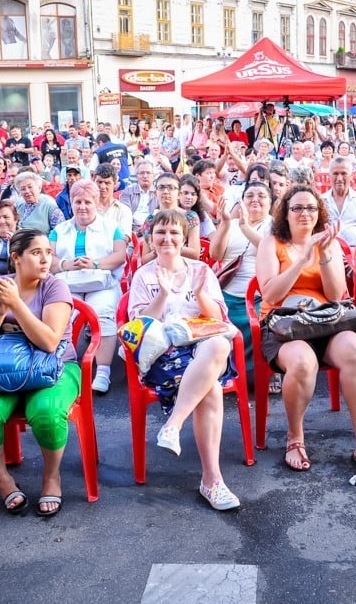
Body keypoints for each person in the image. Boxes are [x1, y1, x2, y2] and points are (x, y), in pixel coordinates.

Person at [254, 186, 356, 481]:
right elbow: (271, 293)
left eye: (311, 208)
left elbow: (336, 294)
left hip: (324, 321)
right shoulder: (271, 242)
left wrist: (322, 253)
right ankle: (295, 437)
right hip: (283, 324)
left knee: (355, 351)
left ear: (319, 213)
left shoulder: (330, 243)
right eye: (297, 208)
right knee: (302, 362)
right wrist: (301, 258)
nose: (305, 214)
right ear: (285, 213)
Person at [127, 209, 241, 510]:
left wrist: (200, 294)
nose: (167, 239)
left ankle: (173, 424)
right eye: (161, 233)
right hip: (165, 354)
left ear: (184, 237)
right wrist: (163, 295)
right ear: (152, 239)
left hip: (202, 348)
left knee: (217, 345)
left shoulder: (200, 270)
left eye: (174, 232)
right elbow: (137, 326)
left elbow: (218, 319)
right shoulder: (143, 274)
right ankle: (212, 481)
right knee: (212, 388)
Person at [0, 229, 80, 516]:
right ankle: (4, 482)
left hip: (54, 367)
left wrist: (17, 304)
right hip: (3, 370)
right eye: (36, 252)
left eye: (48, 253)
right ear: (16, 257)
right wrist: (0, 313)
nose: (45, 259)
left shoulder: (55, 287)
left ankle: (51, 477)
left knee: (47, 412)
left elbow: (50, 341)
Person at [52, 180, 126, 394]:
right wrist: (66, 264)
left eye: (87, 201)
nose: (82, 206)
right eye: (78, 202)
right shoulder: (59, 230)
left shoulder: (112, 228)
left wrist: (94, 262)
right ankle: (65, 366)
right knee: (63, 316)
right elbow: (50, 257)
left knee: (103, 313)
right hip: (68, 284)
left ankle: (103, 371)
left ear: (95, 202)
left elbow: (120, 256)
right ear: (71, 204)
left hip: (102, 284)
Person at [209, 181, 274, 366]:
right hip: (227, 291)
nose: (255, 200)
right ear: (242, 201)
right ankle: (227, 370)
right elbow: (215, 254)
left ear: (270, 202)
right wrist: (226, 223)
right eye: (250, 196)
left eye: (261, 196)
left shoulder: (275, 225)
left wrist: (246, 227)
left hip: (258, 295)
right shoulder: (233, 223)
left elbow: (270, 251)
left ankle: (265, 372)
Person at [140, 173, 201, 262]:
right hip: (157, 268)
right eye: (161, 187)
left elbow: (195, 254)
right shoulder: (150, 220)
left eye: (171, 187)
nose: (165, 191)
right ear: (155, 193)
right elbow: (145, 259)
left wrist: (168, 246)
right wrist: (155, 250)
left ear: (179, 194)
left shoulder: (190, 217)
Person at [322, 157, 356, 247]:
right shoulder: (321, 201)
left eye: (344, 173)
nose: (339, 178)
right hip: (329, 253)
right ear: (329, 176)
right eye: (335, 174)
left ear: (351, 176)